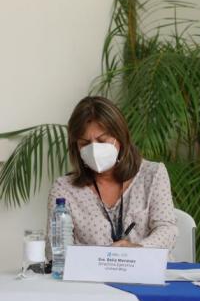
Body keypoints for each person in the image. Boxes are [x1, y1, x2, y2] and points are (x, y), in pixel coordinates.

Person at [46, 96, 177, 256]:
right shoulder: (64, 189)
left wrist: (139, 249)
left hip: (147, 274)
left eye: (102, 140)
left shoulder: (152, 174)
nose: (94, 149)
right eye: (85, 144)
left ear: (120, 138)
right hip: (90, 278)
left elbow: (168, 230)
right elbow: (56, 249)